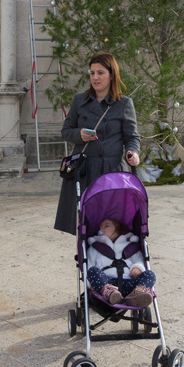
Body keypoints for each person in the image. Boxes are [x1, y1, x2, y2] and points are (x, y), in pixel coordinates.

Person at [53, 52, 141, 234]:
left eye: (100, 73)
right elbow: (65, 131)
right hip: (86, 171)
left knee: (114, 224)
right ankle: (88, 260)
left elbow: (132, 137)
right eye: (92, 73)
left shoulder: (124, 103)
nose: (95, 77)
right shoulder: (80, 100)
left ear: (112, 74)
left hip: (113, 170)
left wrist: (133, 153)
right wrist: (80, 135)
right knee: (87, 224)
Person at [85, 218, 155, 307]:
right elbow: (89, 265)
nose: (102, 229)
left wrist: (138, 267)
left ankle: (137, 294)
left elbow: (139, 260)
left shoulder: (130, 246)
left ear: (118, 228)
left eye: (106, 226)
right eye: (100, 227)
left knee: (150, 274)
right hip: (106, 282)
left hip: (129, 284)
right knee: (92, 270)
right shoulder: (95, 248)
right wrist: (91, 284)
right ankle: (110, 294)